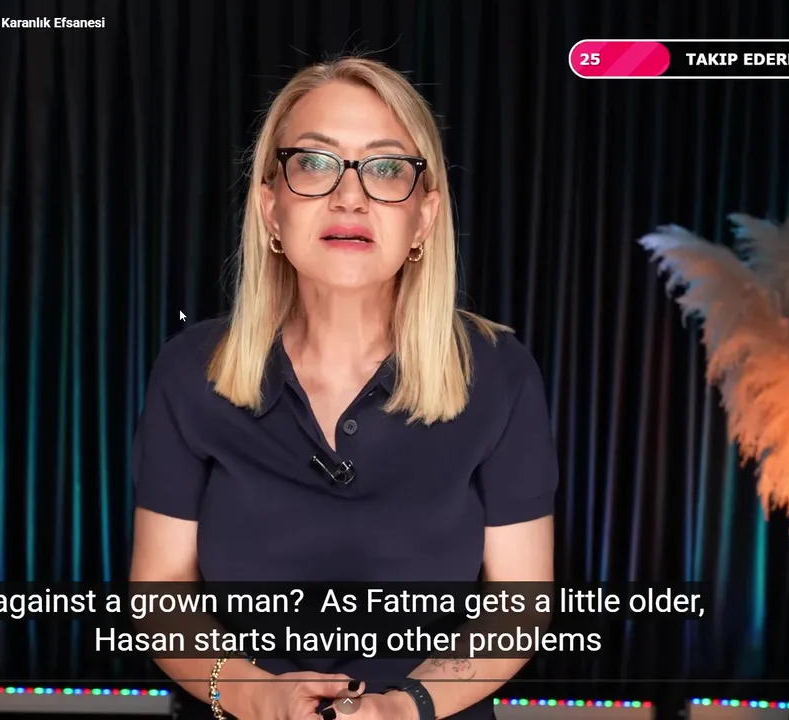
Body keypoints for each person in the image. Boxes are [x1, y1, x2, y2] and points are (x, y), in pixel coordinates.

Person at [129, 56, 558, 720]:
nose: (350, 197)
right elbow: (159, 593)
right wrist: (254, 696)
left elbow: (520, 608)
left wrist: (403, 708)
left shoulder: (500, 372)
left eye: (385, 168)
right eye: (314, 163)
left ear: (424, 217)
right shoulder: (191, 368)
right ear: (270, 208)